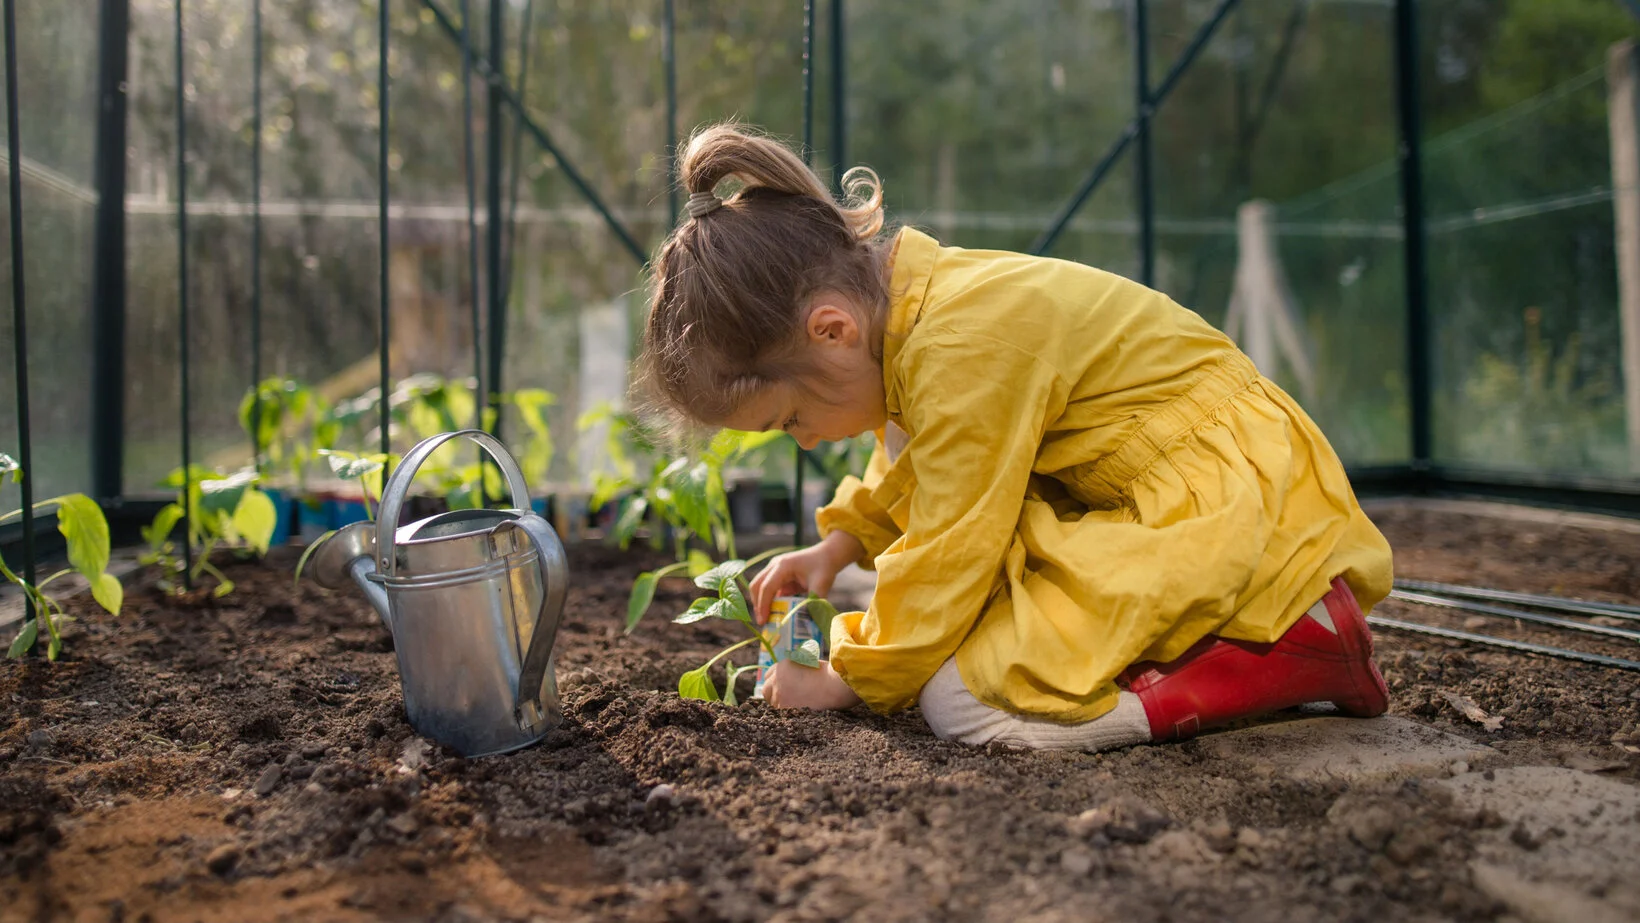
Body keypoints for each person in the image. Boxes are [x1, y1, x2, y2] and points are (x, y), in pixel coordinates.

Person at [635, 122, 1393, 751]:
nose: (801, 442)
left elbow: (951, 546)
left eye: (789, 420)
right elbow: (917, 454)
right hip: (1160, 488)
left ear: (831, 331)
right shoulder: (912, 310)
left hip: (1226, 505)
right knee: (909, 602)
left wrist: (849, 679)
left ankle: (1289, 644)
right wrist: (839, 546)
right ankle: (1245, 629)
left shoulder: (962, 346)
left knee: (961, 703)